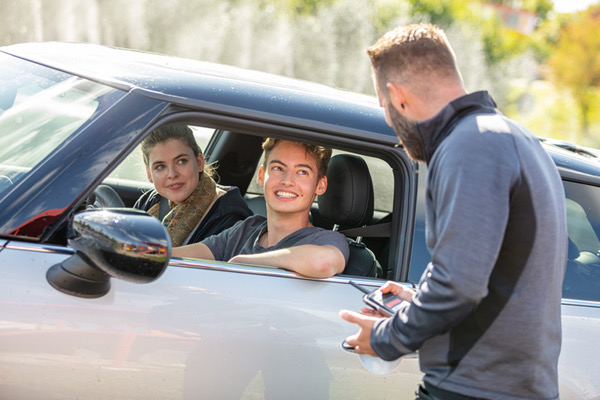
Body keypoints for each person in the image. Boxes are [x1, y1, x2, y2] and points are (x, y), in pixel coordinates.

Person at [340, 24, 567, 400]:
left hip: (473, 389)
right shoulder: (513, 137)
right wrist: (419, 300)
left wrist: (385, 337)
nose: (390, 125)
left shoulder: (469, 145)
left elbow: (459, 284)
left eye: (383, 106)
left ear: (397, 96)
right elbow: (491, 275)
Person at [173, 138, 349, 279]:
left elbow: (322, 263)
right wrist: (149, 251)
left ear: (320, 185)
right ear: (261, 175)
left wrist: (243, 262)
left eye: (302, 172)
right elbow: (181, 256)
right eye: (278, 168)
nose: (287, 180)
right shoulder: (247, 229)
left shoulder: (327, 240)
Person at [134, 124, 252, 246]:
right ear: (149, 174)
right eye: (160, 167)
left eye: (181, 161)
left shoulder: (231, 218)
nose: (172, 174)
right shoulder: (149, 202)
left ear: (199, 162)